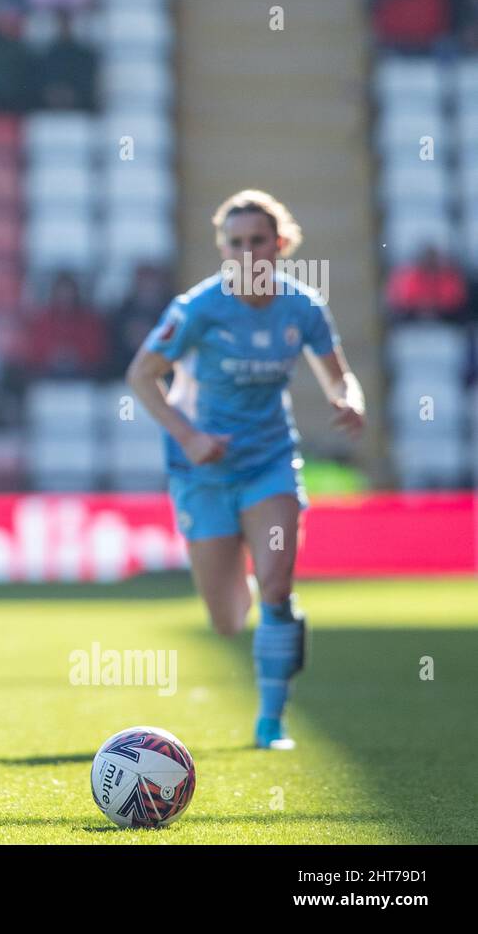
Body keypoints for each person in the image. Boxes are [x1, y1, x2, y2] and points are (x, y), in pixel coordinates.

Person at [126, 189, 366, 750]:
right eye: (235, 243)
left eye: (257, 241)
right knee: (229, 621)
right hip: (202, 471)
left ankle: (271, 720)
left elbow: (339, 374)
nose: (246, 253)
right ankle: (261, 611)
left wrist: (349, 399)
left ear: (279, 245)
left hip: (269, 461)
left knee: (277, 584)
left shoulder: (302, 307)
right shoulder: (198, 309)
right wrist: (190, 437)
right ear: (223, 248)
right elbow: (142, 374)